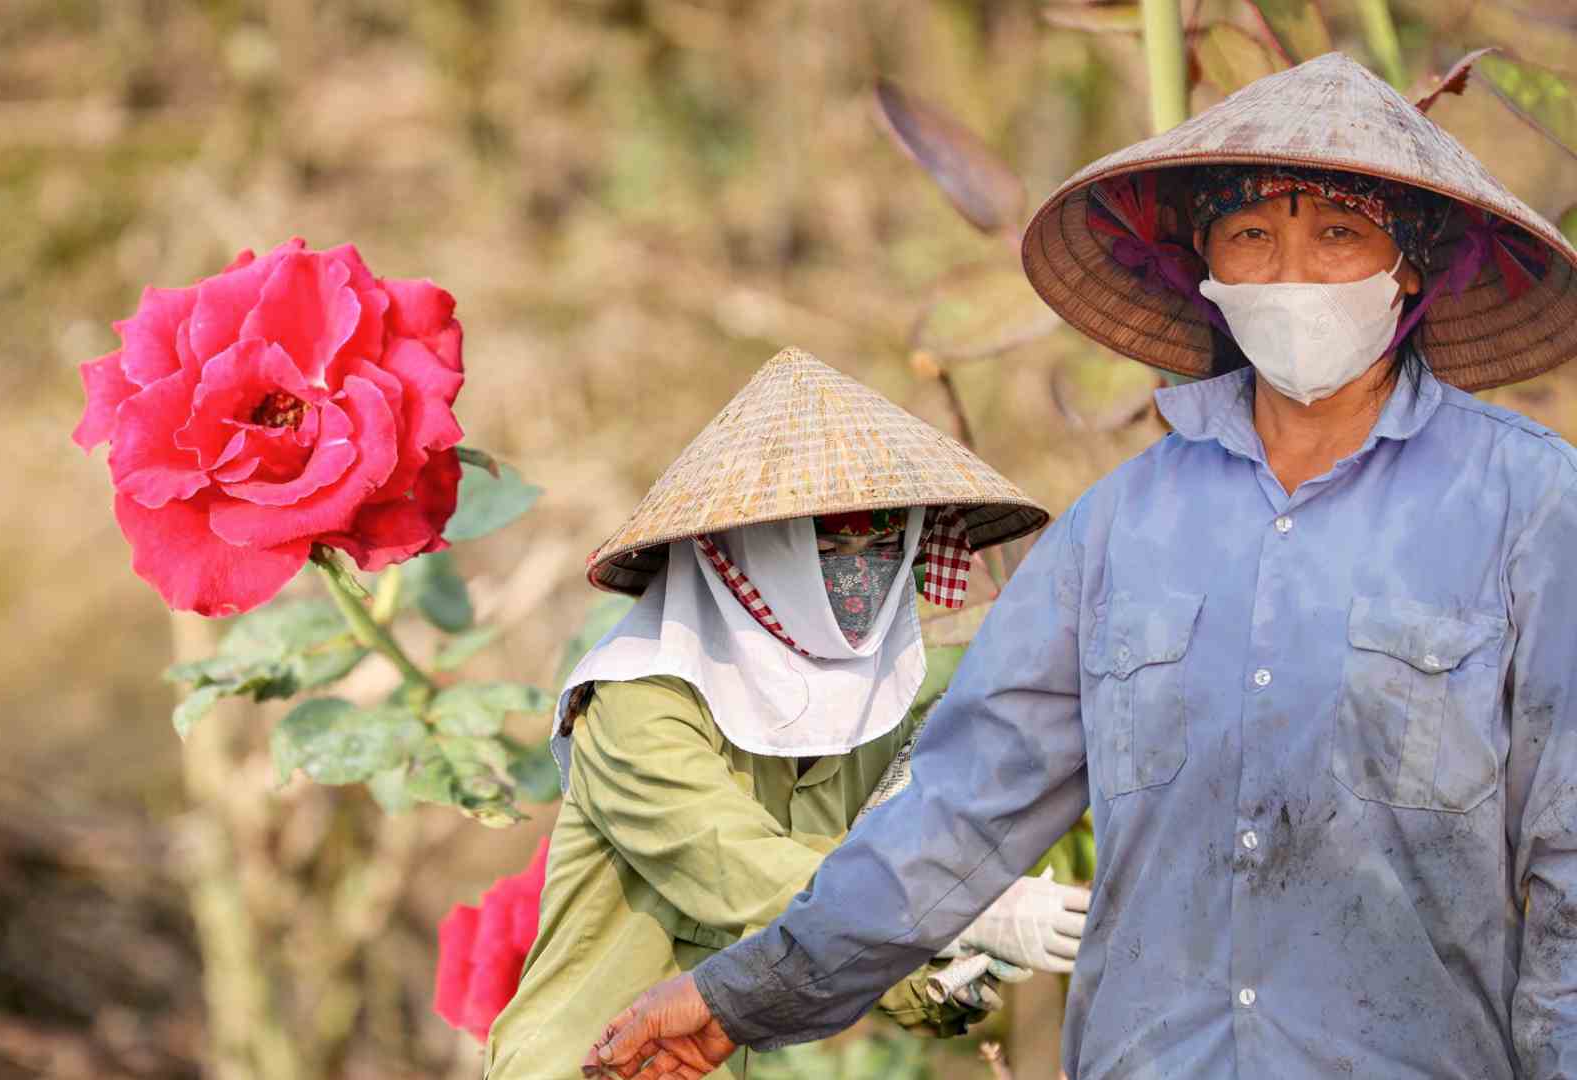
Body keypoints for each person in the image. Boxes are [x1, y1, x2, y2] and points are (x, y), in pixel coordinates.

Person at [586, 53, 1577, 1079]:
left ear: (1406, 265)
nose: (1289, 273)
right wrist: (740, 995)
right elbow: (959, 808)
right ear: (1205, 265)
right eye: (1251, 235)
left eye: (1338, 234)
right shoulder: (1118, 530)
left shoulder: (1528, 506)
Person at [481, 348, 1087, 1077]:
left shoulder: (867, 714)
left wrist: (946, 980)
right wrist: (959, 912)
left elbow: (835, 929)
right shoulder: (636, 701)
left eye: (885, 540)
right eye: (831, 541)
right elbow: (741, 869)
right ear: (752, 549)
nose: (861, 569)